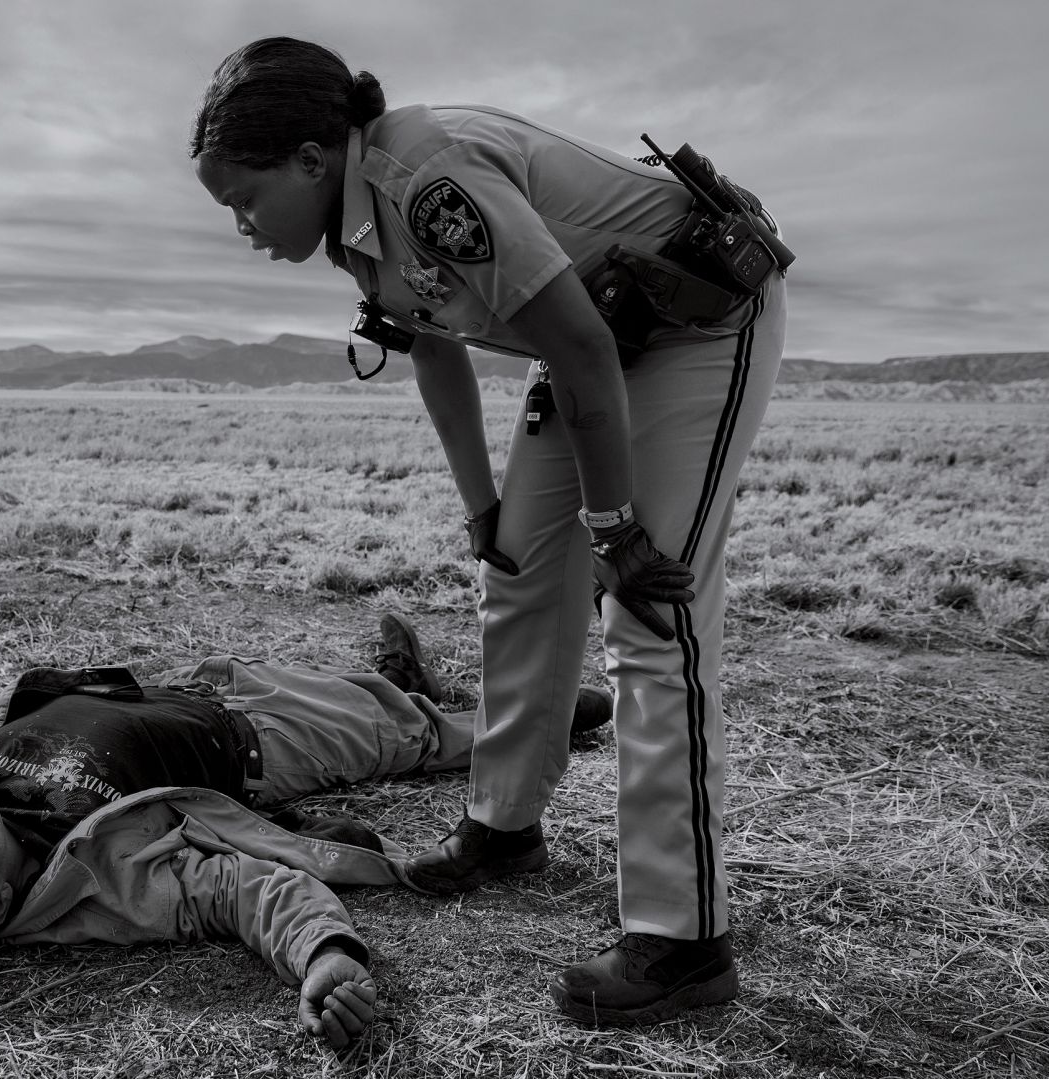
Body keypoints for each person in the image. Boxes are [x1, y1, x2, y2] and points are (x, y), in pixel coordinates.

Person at [190, 38, 790, 1027]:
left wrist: (617, 532)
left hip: (698, 320)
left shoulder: (425, 177)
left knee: (650, 610)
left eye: (244, 199)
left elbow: (579, 345)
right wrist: (484, 510)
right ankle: (504, 826)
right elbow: (436, 353)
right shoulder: (355, 225)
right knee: (516, 570)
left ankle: (683, 938)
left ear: (309, 157)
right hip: (603, 334)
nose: (243, 225)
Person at [0, 614, 613, 1050]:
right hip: (253, 740)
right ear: (0, 901)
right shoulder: (105, 879)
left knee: (358, 690)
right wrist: (327, 958)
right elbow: (244, 890)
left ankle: (401, 677)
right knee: (409, 734)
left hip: (171, 685)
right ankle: (520, 715)